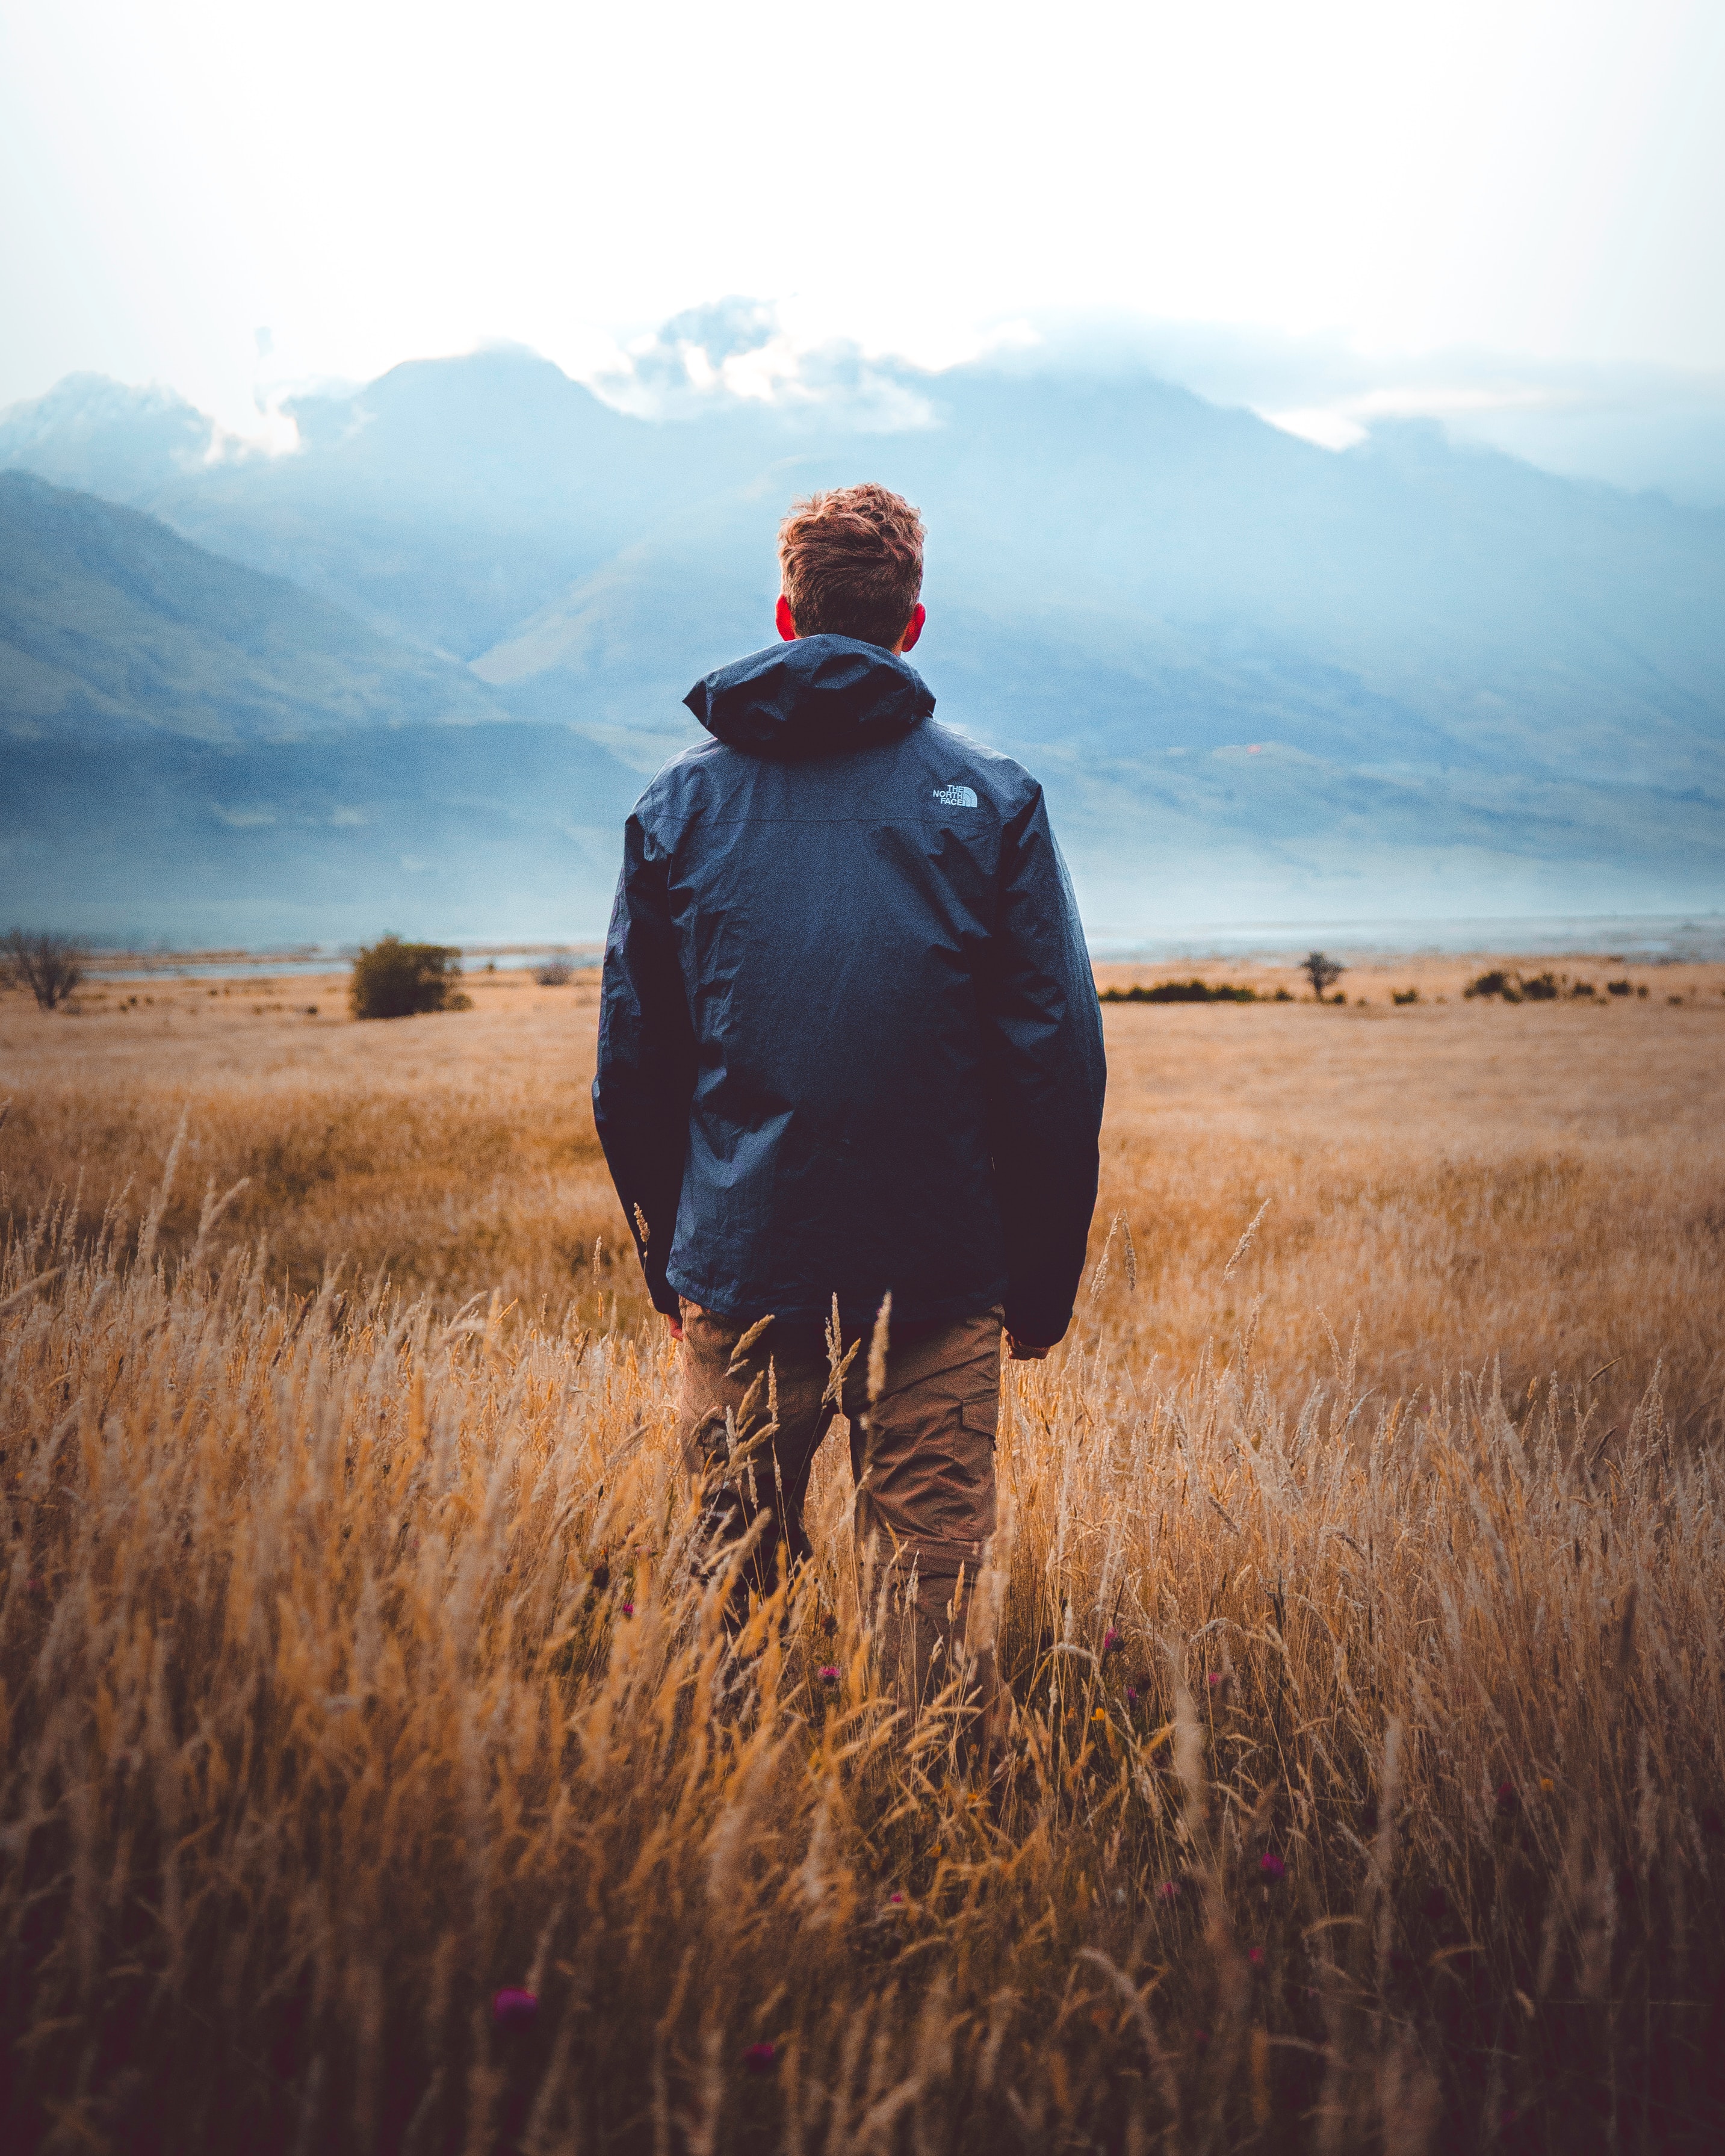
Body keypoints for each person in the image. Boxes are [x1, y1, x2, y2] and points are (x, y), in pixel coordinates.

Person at [593, 482, 1104, 1731]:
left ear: (783, 615)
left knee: (734, 1588)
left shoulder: (676, 807)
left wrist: (673, 1267)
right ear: (911, 627)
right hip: (938, 1279)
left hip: (740, 1264)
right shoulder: (991, 802)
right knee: (925, 1596)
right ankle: (922, 1835)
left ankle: (740, 1835)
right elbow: (1056, 1066)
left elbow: (631, 1075)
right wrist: (1034, 1285)